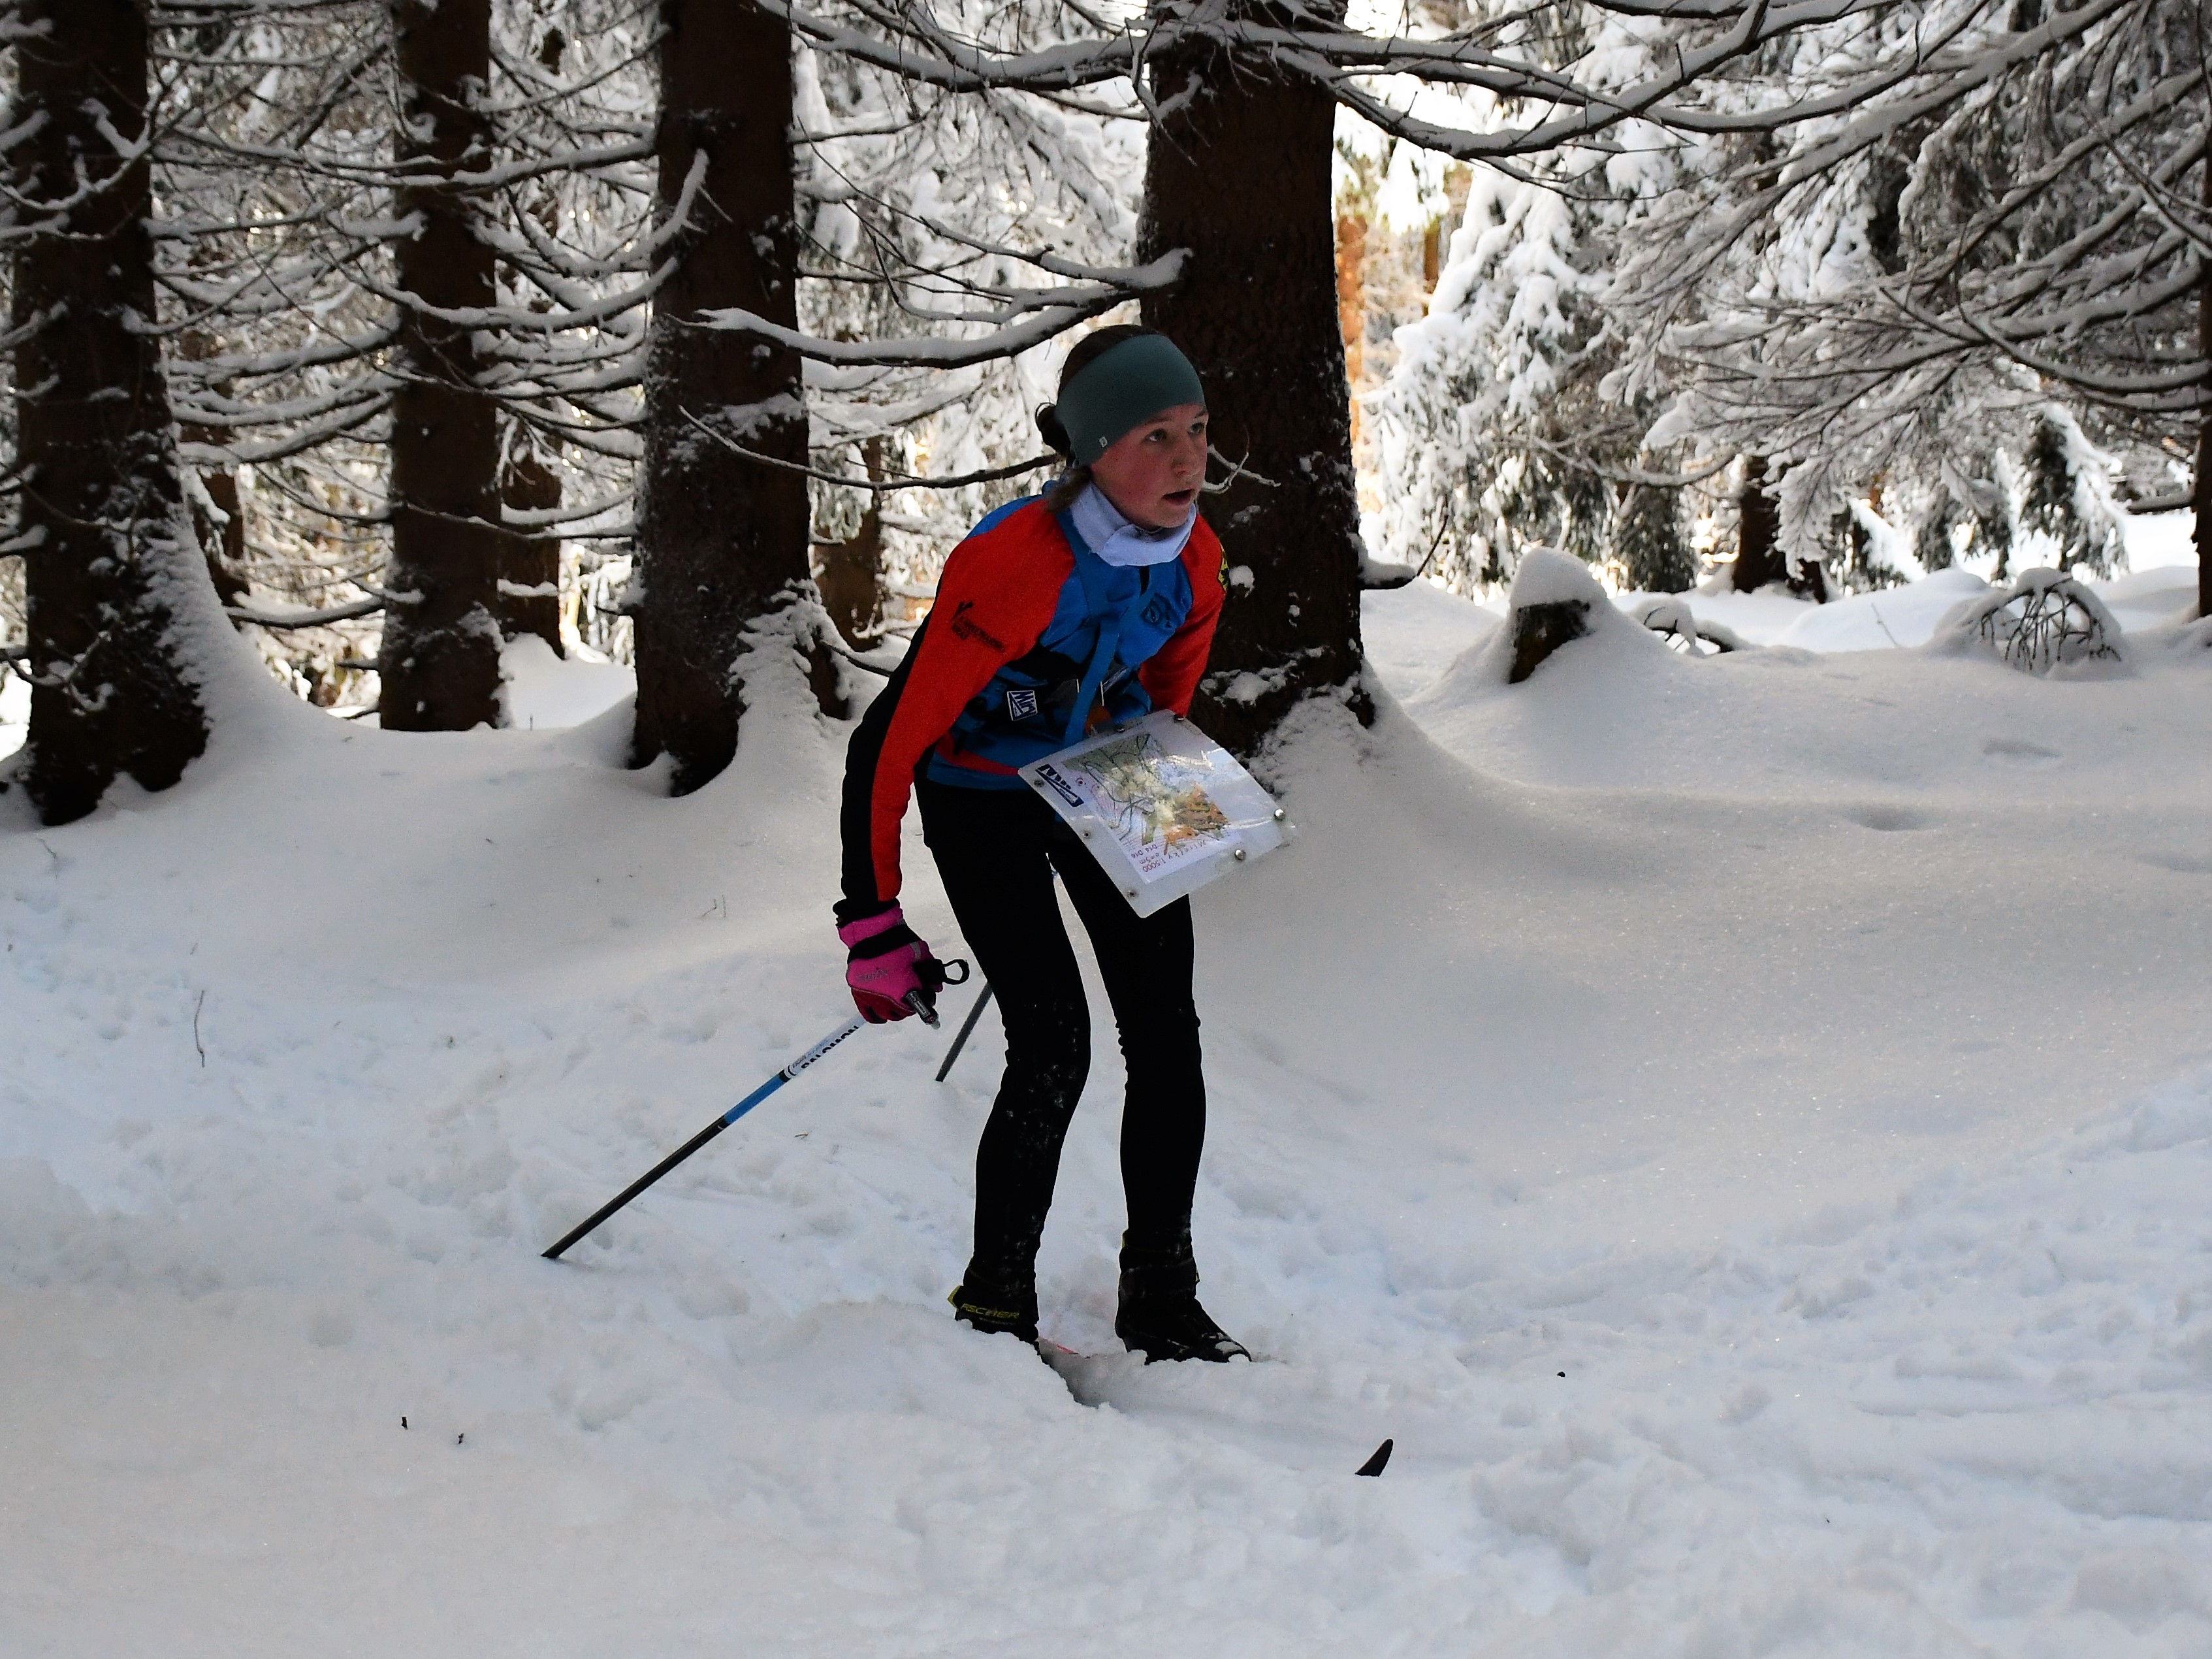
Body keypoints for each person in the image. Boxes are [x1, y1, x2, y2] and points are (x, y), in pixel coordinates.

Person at [832, 325, 1248, 1364]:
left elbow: (1167, 698)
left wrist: (1164, 807)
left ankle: (1161, 1290)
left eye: (1197, 429)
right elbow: (890, 739)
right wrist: (871, 917)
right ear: (1095, 449)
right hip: (980, 797)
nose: (1190, 459)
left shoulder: (1196, 564)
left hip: (1104, 776)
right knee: (1054, 1042)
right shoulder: (1010, 565)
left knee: (1167, 1036)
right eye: (1157, 436)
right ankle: (996, 1300)